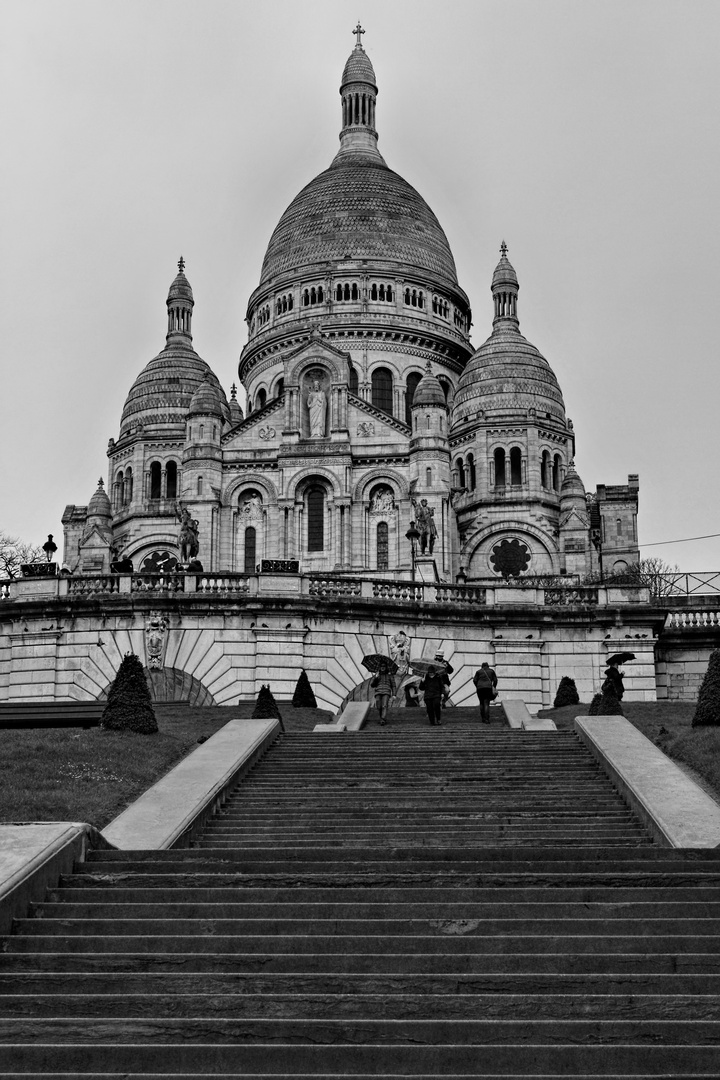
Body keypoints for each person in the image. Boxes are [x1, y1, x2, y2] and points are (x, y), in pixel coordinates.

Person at [370, 660, 396, 726]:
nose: (382, 667)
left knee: (384, 705)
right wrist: (376, 678)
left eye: (384, 666)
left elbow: (393, 685)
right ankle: (382, 717)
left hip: (386, 692)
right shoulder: (377, 675)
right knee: (378, 706)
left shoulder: (390, 676)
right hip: (378, 692)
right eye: (381, 666)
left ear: (386, 667)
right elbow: (372, 685)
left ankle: (383, 719)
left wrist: (394, 694)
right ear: (379, 667)